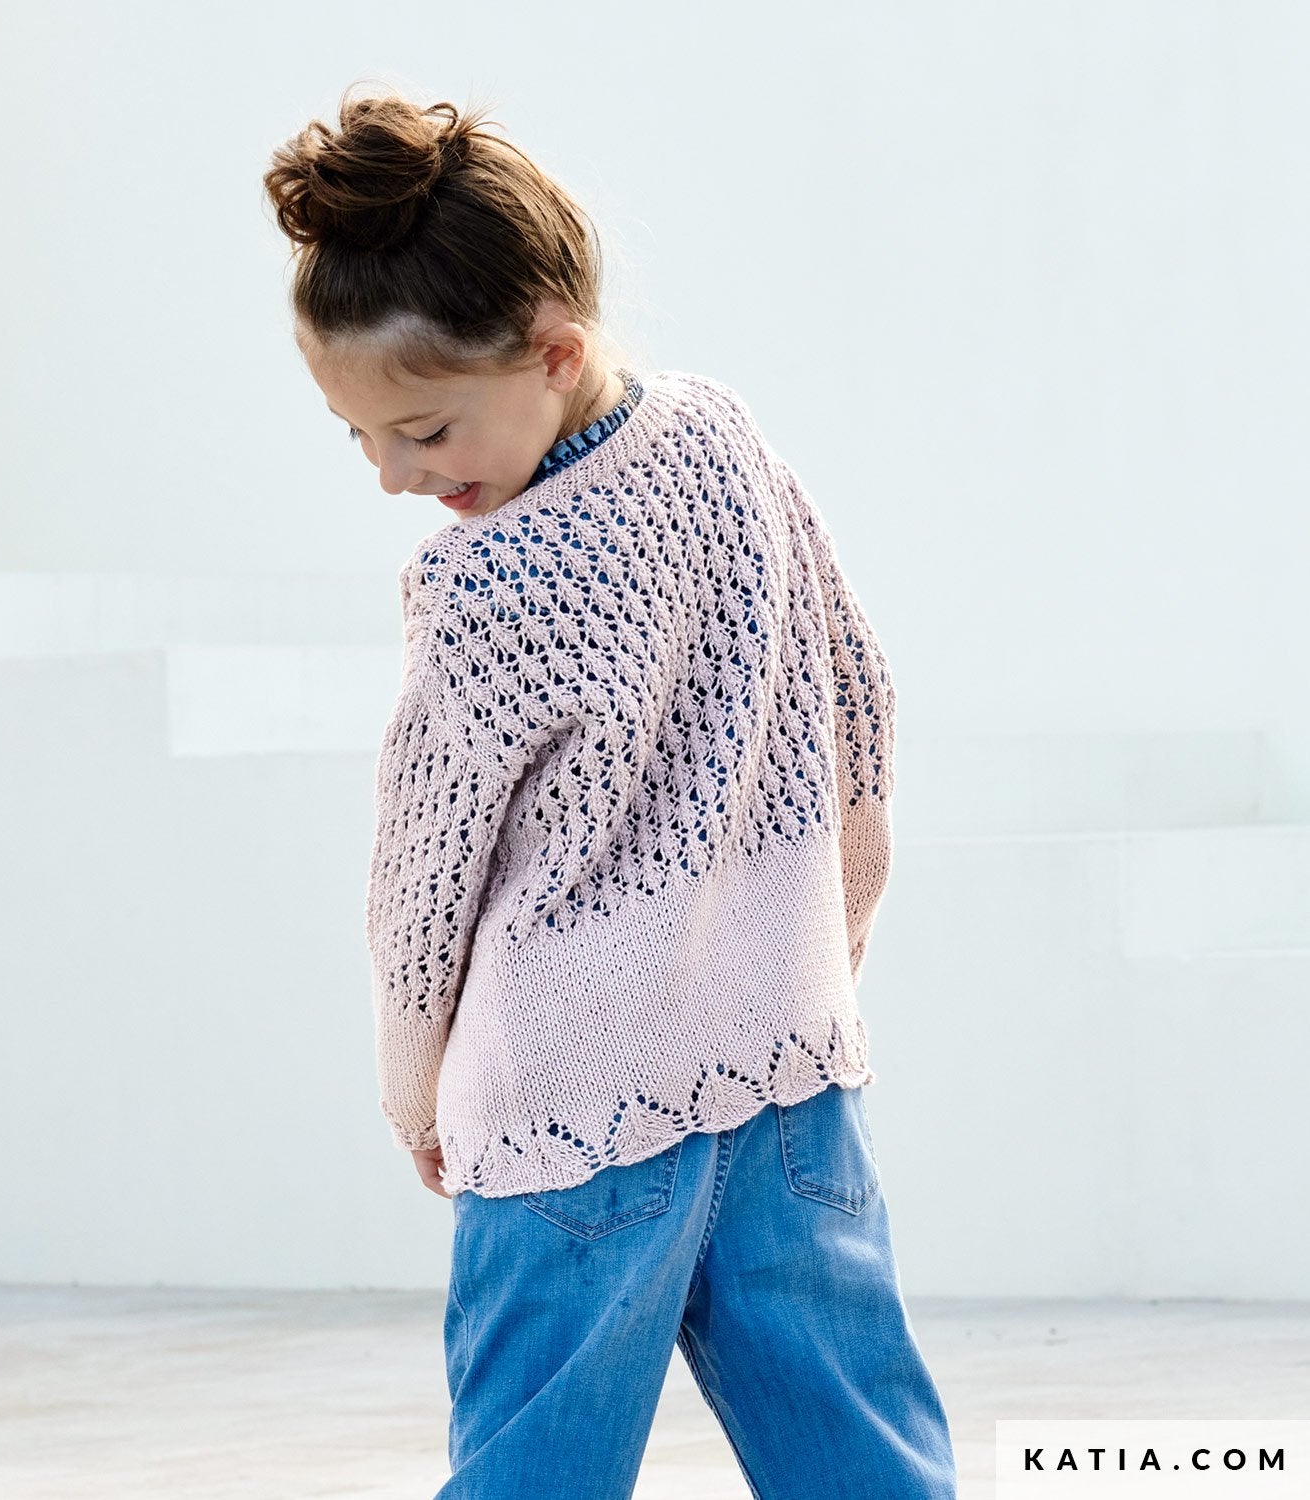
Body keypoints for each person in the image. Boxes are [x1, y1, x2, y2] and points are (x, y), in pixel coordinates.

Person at [263, 81, 959, 1500]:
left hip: (573, 1100)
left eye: (427, 429)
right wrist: (831, 941)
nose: (395, 475)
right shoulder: (725, 442)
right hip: (788, 1060)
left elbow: (424, 881)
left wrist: (416, 1092)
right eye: (361, 437)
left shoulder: (485, 586)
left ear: (555, 351)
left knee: (536, 1464)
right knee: (860, 1445)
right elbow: (858, 703)